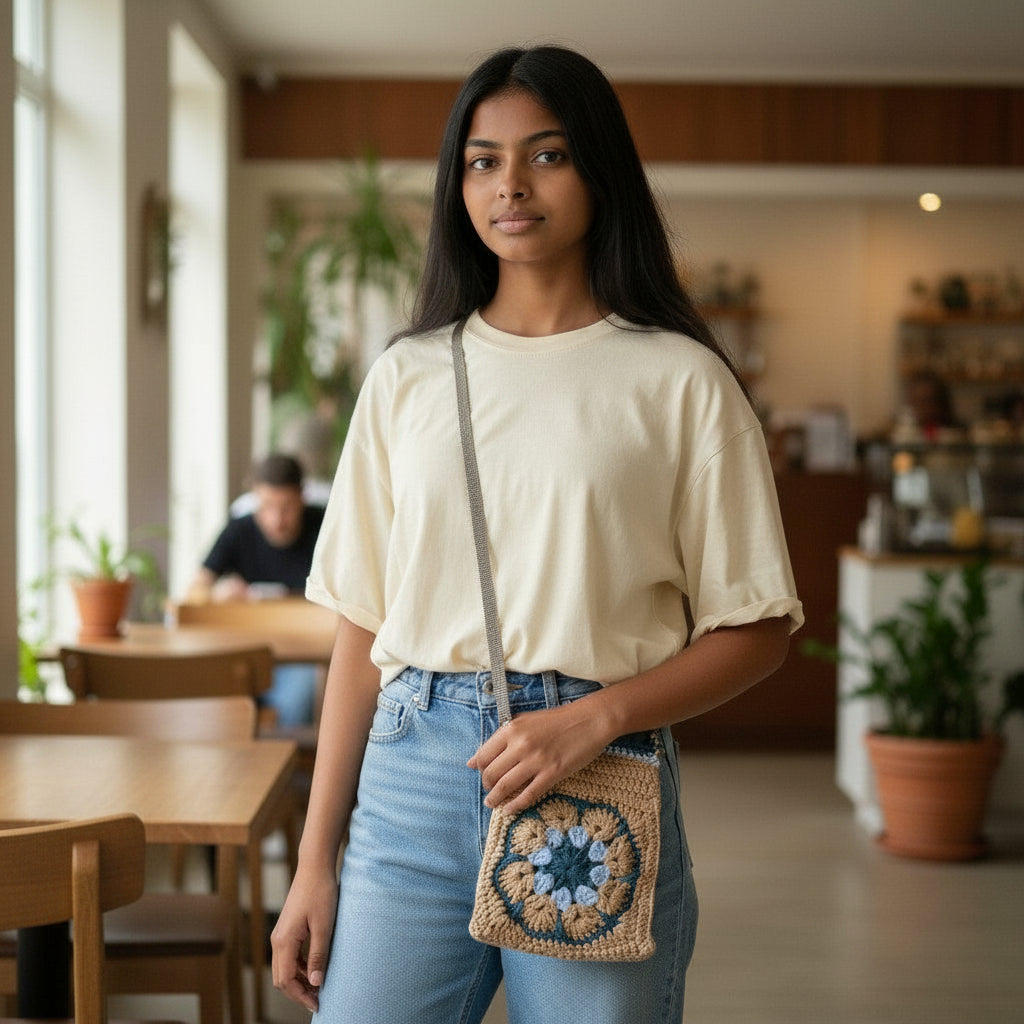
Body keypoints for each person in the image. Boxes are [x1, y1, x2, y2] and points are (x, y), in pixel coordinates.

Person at [271, 45, 802, 1024]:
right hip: (413, 769)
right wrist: (313, 861)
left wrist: (598, 716)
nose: (509, 183)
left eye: (545, 155)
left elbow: (757, 629)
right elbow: (359, 633)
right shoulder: (407, 378)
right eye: (481, 160)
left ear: (600, 171)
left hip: (597, 767)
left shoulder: (680, 381)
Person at [187, 453, 326, 726]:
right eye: (266, 506)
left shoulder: (325, 528)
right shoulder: (239, 530)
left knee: (294, 708)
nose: (276, 520)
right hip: (246, 653)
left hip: (304, 654)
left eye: (286, 507)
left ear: (302, 497)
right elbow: (194, 592)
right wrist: (218, 593)